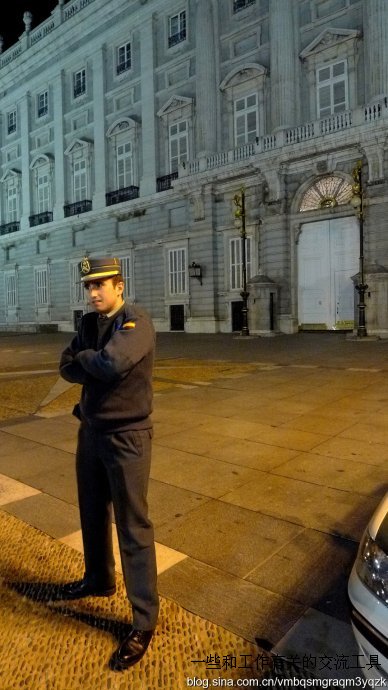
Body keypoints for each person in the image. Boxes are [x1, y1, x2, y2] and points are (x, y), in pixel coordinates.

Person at [59, 256, 159, 672]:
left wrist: (85, 360)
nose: (94, 292)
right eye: (89, 286)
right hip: (91, 432)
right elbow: (65, 366)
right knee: (91, 513)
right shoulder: (88, 324)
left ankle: (143, 620)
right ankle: (99, 578)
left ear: (120, 286)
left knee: (133, 525)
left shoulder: (136, 323)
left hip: (126, 437)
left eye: (102, 285)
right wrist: (86, 360)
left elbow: (112, 363)